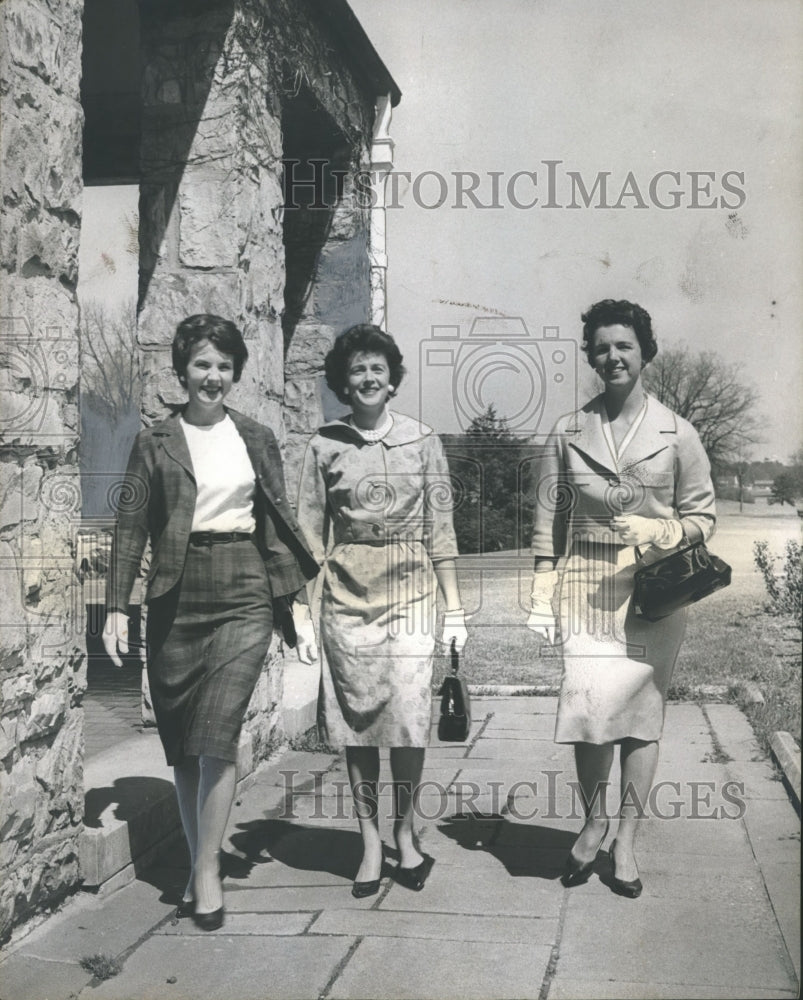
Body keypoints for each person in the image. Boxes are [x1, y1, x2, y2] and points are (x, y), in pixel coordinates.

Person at [103, 314, 318, 929]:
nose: (213, 376)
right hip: (176, 592)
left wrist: (294, 602)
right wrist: (117, 604)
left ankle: (206, 869)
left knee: (217, 734)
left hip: (244, 588)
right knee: (182, 743)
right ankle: (200, 853)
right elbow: (130, 526)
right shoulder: (154, 441)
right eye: (202, 364)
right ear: (181, 370)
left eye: (224, 366)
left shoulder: (256, 435)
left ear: (235, 373)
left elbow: (276, 524)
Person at [528, 299, 716, 898]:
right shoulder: (567, 430)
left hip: (653, 589)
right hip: (584, 582)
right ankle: (593, 820)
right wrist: (541, 586)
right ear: (590, 355)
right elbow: (546, 521)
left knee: (639, 716)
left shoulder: (677, 433)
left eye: (625, 346)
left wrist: (662, 532)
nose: (613, 356)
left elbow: (703, 517)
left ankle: (627, 841)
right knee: (588, 712)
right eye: (602, 346)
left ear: (644, 354)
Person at [296, 324, 468, 898]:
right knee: (359, 720)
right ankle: (369, 838)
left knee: (411, 717)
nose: (368, 379)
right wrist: (303, 608)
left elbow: (441, 531)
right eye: (356, 371)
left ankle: (405, 830)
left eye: (377, 369)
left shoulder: (424, 441)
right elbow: (308, 536)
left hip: (414, 593)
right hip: (347, 595)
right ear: (343, 383)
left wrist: (457, 609)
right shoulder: (324, 446)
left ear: (393, 379)